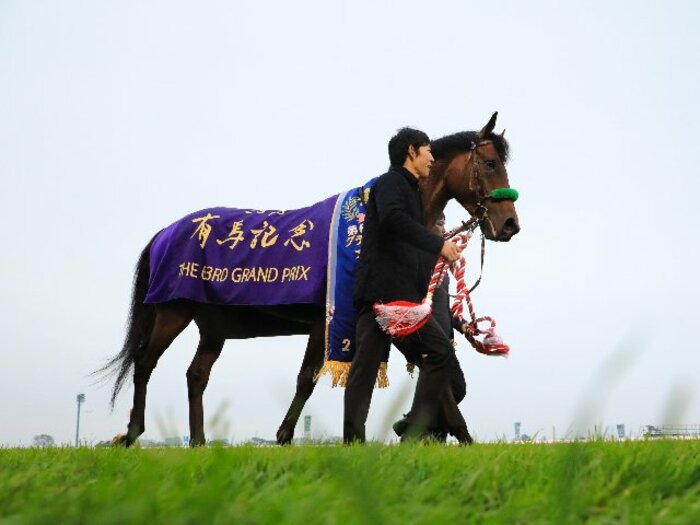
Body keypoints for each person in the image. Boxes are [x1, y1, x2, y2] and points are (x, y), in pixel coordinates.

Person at [344, 127, 471, 444]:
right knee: (369, 368)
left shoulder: (412, 191)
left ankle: (405, 433)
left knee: (433, 355)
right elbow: (391, 219)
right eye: (428, 150)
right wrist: (438, 245)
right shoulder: (389, 183)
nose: (432, 158)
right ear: (411, 151)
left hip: (400, 300)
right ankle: (362, 443)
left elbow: (407, 243)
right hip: (382, 296)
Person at [392, 213, 468, 442]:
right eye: (438, 221)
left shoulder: (440, 264)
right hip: (424, 336)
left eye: (444, 220)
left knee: (452, 389)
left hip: (444, 336)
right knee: (450, 387)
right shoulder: (416, 259)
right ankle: (458, 436)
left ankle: (417, 429)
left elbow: (442, 304)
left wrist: (460, 323)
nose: (443, 224)